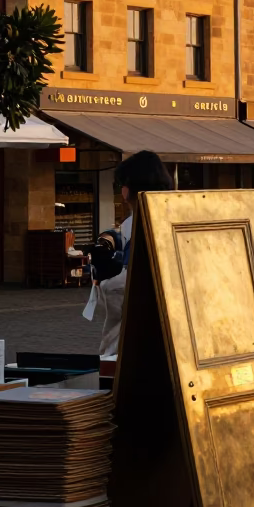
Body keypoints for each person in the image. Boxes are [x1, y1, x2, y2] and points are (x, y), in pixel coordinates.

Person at [83, 150, 172, 356]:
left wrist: (106, 277)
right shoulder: (180, 217)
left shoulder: (139, 225)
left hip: (138, 344)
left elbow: (127, 290)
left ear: (125, 191)